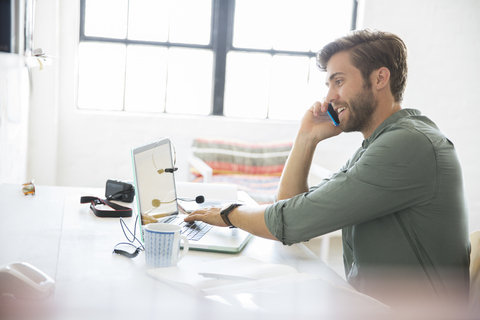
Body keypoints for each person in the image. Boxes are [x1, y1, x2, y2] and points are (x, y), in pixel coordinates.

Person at [184, 29, 470, 308]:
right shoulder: (379, 144)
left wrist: (228, 214)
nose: (329, 97)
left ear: (380, 78)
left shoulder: (409, 145)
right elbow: (291, 209)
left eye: (339, 81)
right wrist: (306, 138)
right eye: (328, 85)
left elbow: (292, 222)